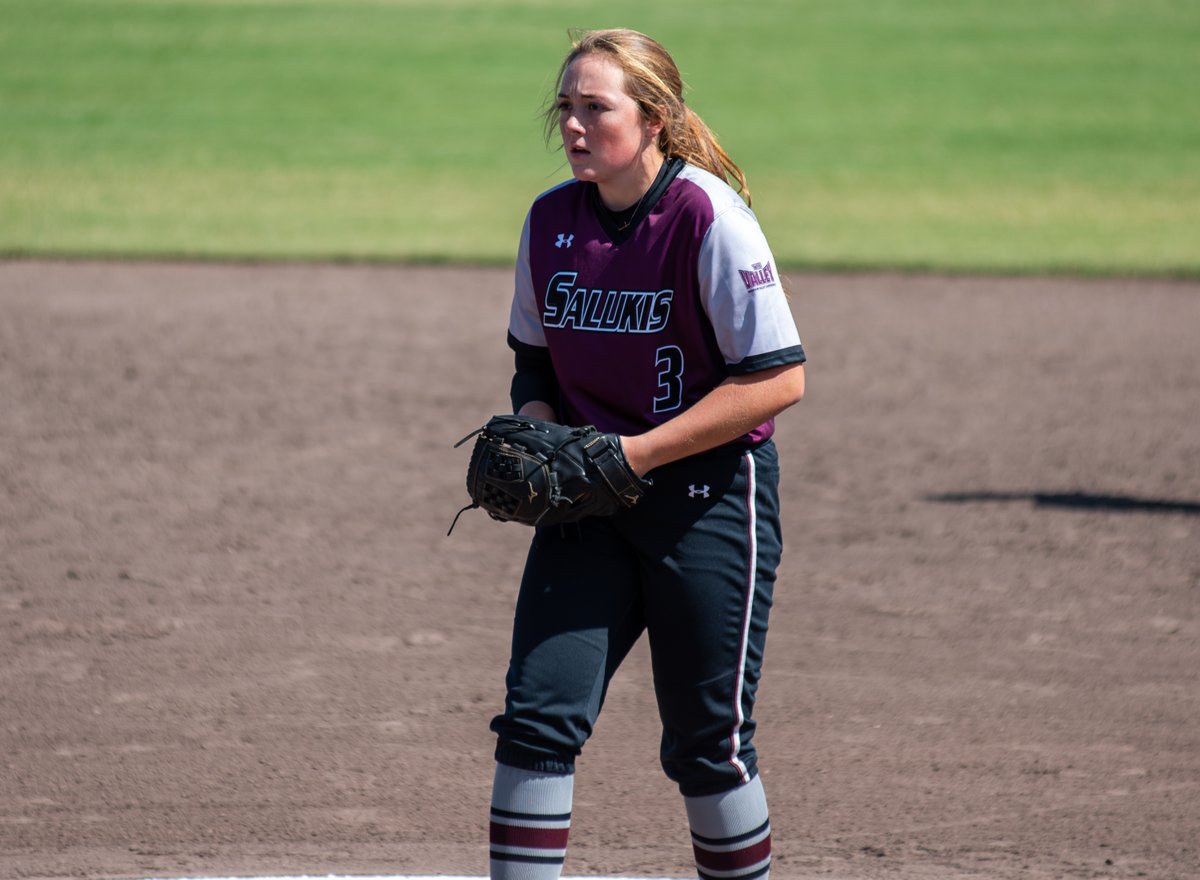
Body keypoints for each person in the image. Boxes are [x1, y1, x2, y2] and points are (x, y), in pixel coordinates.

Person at [487, 28, 806, 880]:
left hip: (704, 502)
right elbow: (534, 362)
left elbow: (776, 380)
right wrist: (546, 434)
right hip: (589, 497)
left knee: (709, 746)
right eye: (567, 108)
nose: (575, 127)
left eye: (596, 108)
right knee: (535, 721)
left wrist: (634, 453)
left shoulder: (707, 216)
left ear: (655, 119)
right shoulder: (551, 219)